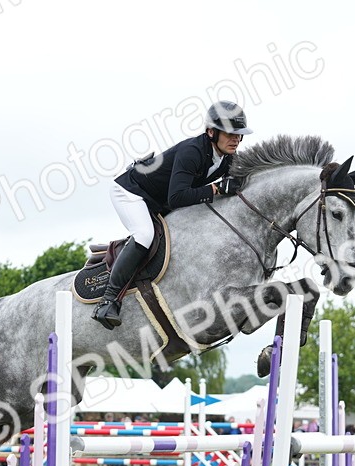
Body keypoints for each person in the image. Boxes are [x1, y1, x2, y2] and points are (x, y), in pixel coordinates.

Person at [93, 100, 253, 329]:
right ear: (211, 132)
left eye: (239, 134)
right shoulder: (192, 152)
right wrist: (216, 189)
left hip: (159, 200)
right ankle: (108, 300)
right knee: (145, 235)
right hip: (132, 193)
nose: (236, 139)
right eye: (230, 134)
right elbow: (177, 198)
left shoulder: (227, 158)